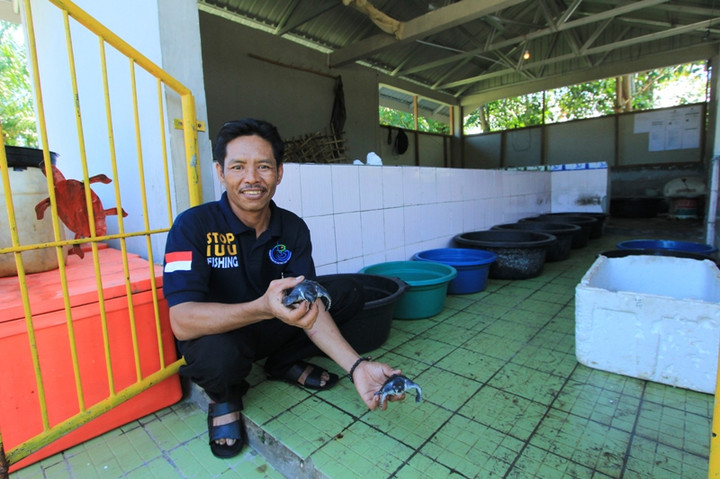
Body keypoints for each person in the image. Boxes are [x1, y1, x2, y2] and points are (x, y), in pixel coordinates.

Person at [162, 118, 404, 458]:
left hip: (273, 324)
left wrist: (357, 367)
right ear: (220, 172)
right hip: (222, 335)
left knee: (348, 291)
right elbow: (182, 321)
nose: (251, 178)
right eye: (238, 167)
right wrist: (261, 307)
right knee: (218, 358)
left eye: (263, 166)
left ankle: (281, 363)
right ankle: (225, 398)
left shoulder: (292, 227)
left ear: (279, 172)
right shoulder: (192, 225)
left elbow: (310, 306)